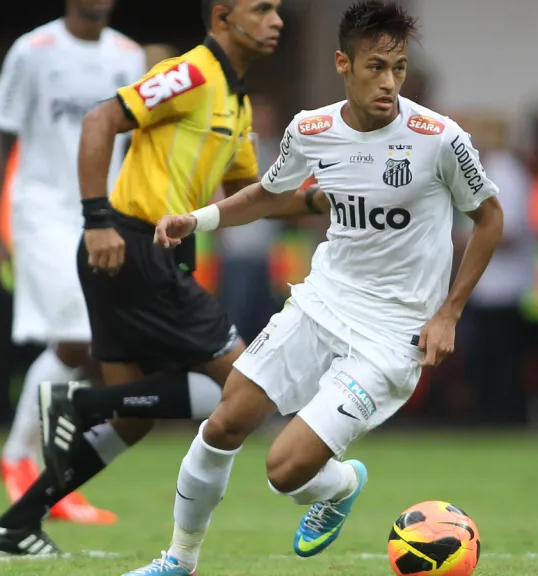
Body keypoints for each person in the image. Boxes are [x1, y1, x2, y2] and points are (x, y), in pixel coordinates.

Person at [125, 2, 503, 573]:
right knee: (224, 423)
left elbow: (490, 217)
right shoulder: (312, 129)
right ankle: (178, 561)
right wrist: (197, 219)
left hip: (392, 334)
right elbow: (270, 193)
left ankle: (342, 483)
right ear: (342, 64)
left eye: (398, 68)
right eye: (376, 66)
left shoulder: (438, 138)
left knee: (284, 470)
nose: (389, 82)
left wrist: (448, 311)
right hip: (321, 303)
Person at [0, 0, 286, 557]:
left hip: (145, 257)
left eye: (278, 10)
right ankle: (80, 406)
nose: (276, 20)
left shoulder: (235, 101)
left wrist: (329, 195)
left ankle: (14, 525)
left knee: (132, 418)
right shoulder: (192, 72)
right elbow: (100, 120)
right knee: (245, 388)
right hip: (133, 247)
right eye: (262, 9)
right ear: (222, 17)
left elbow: (252, 196)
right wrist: (96, 220)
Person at [0, 0, 145, 524]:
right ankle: (20, 460)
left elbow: (137, 145)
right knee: (76, 339)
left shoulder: (128, 55)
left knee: (83, 345)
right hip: (44, 211)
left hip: (104, 215)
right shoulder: (32, 50)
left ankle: (45, 471)